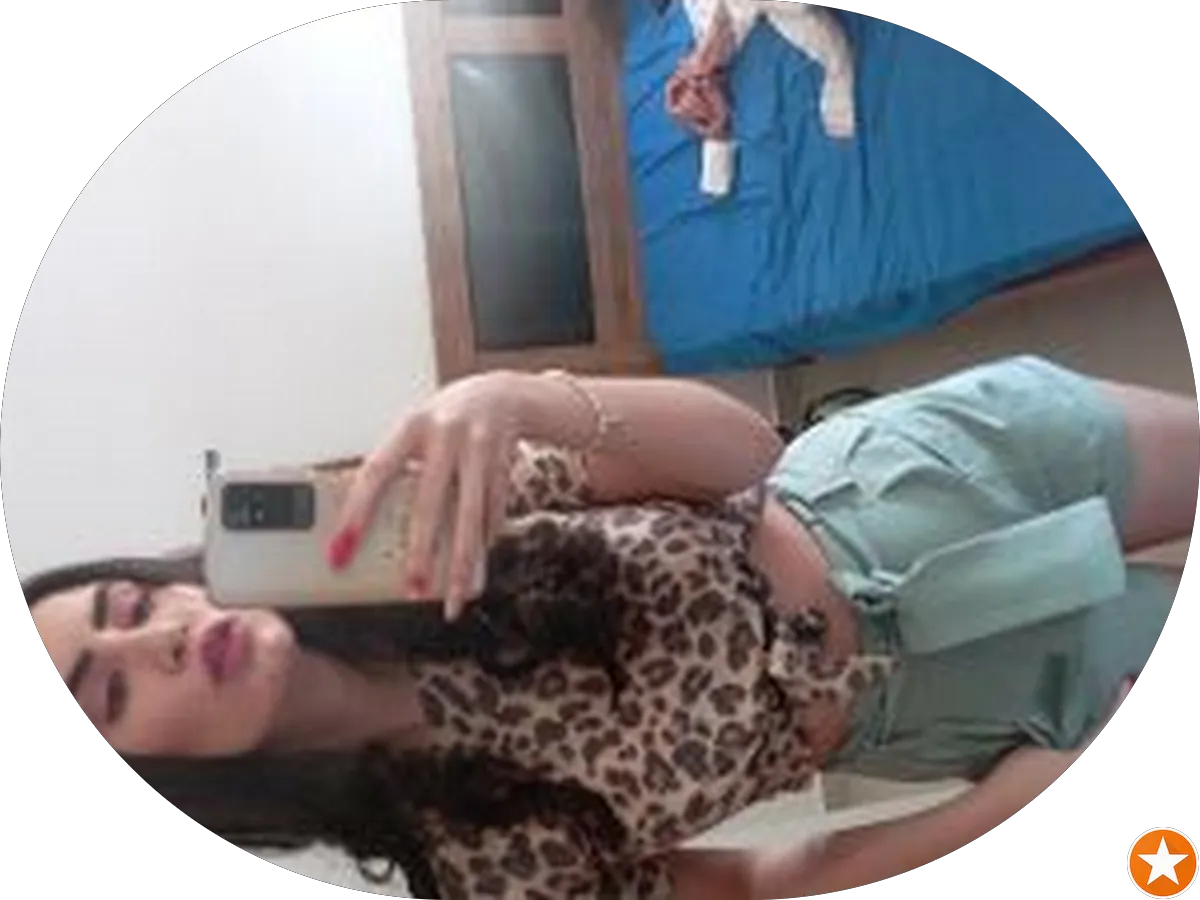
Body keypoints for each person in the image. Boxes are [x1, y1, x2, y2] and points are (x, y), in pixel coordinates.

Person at [28, 355, 1194, 899]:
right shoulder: (477, 870)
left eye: (133, 606)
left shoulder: (397, 526)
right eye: (111, 694)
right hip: (955, 695)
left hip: (911, 478)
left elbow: (749, 454)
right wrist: (1009, 806)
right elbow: (763, 884)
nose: (158, 638)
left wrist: (525, 397)